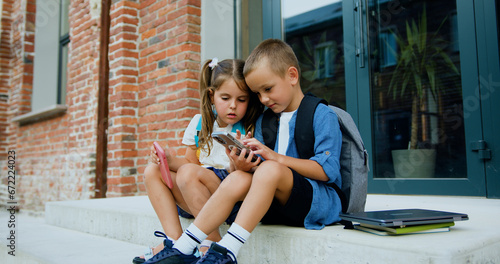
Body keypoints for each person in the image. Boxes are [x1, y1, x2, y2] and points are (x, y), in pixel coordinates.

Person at [146, 38, 343, 264]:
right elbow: (257, 172)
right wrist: (239, 165)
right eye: (258, 94)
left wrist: (274, 158)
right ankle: (185, 246)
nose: (264, 99)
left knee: (269, 169)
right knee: (241, 175)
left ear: (292, 76)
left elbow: (328, 170)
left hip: (316, 201)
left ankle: (226, 250)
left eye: (267, 89)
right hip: (273, 202)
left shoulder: (322, 114)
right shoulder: (265, 120)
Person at [134, 58, 263, 264]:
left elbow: (246, 175)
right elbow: (188, 163)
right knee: (152, 170)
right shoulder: (200, 123)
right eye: (225, 97)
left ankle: (211, 243)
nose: (233, 105)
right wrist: (167, 159)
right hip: (196, 191)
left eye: (241, 99)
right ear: (212, 96)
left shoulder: (248, 126)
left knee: (188, 173)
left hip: (228, 195)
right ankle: (174, 241)